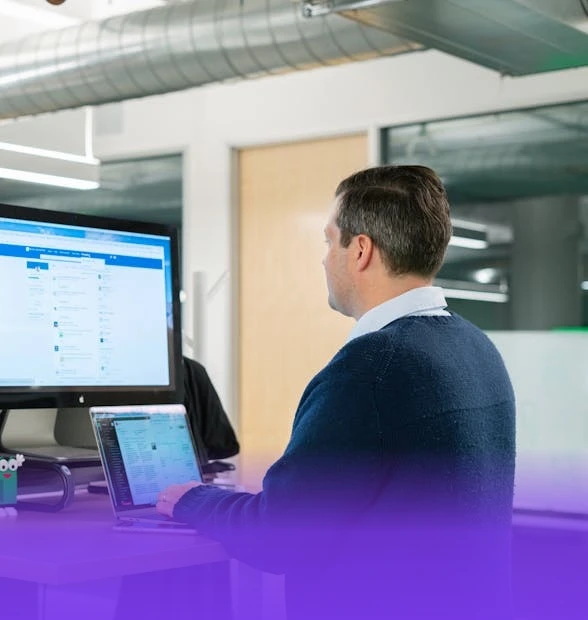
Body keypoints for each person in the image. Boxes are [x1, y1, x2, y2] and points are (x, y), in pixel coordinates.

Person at [156, 165, 516, 620]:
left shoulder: (371, 369)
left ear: (360, 249)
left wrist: (191, 499)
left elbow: (280, 538)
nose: (325, 258)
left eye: (330, 241)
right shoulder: (476, 347)